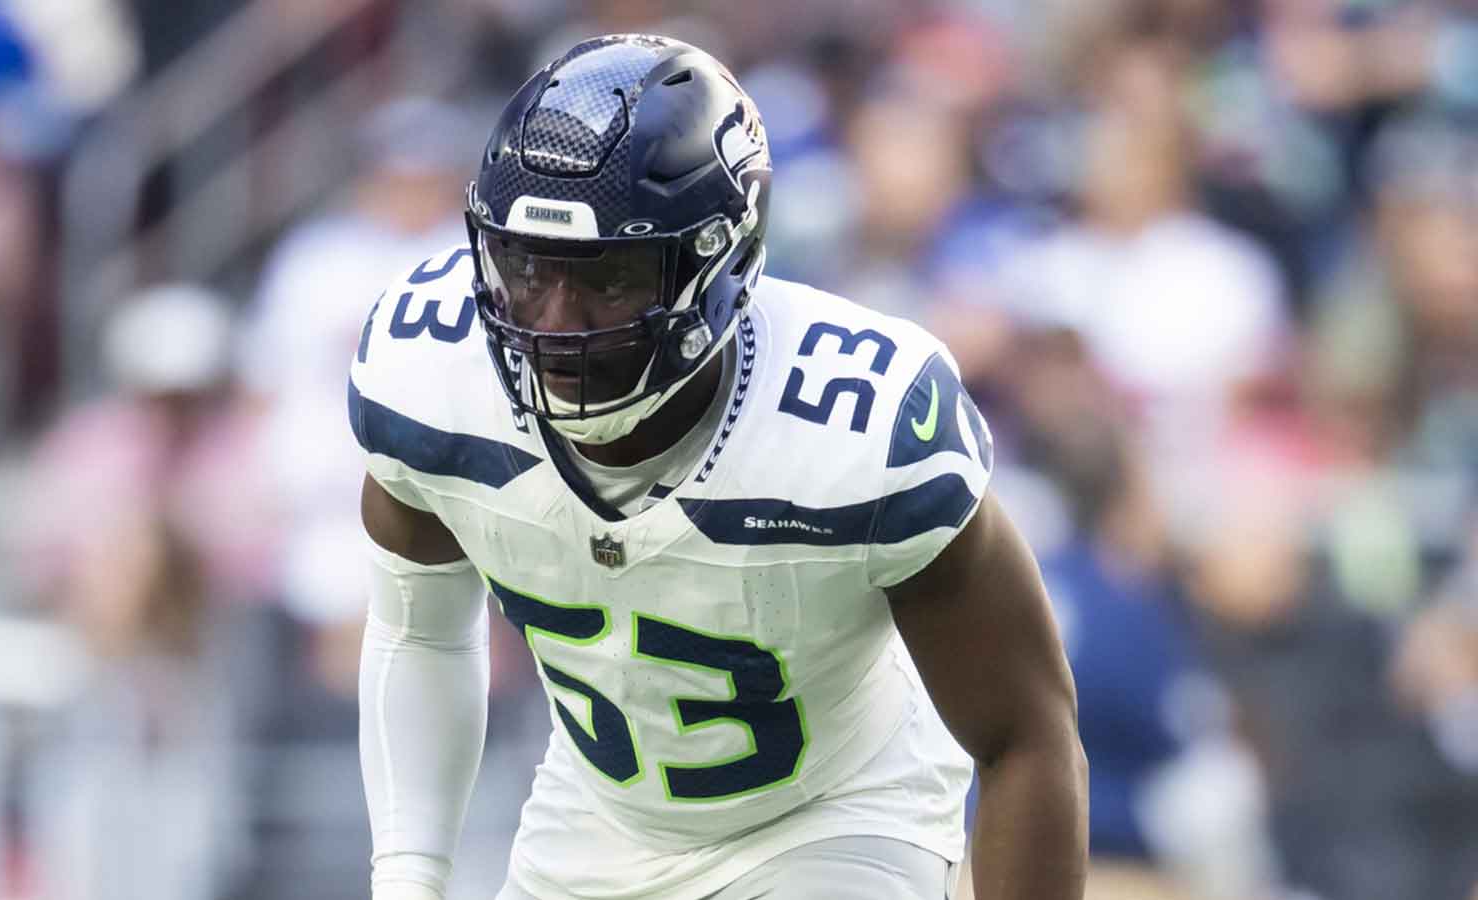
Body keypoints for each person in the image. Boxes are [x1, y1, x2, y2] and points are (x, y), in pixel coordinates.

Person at [349, 35, 1086, 900]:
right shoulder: (426, 375)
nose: (555, 323)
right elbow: (419, 632)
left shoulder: (862, 430)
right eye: (527, 265)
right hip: (597, 821)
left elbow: (1026, 737)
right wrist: (409, 879)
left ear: (722, 259)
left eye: (610, 279)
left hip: (835, 812)